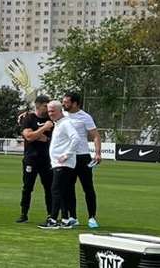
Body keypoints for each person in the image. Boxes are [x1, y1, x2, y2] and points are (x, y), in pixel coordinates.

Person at [41, 100, 84, 230]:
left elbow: (76, 138)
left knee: (56, 190)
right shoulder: (59, 124)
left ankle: (53, 219)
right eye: (49, 111)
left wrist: (67, 154)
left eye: (53, 111)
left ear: (60, 111)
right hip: (58, 164)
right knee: (63, 191)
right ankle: (66, 219)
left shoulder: (65, 123)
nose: (50, 113)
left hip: (64, 164)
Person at [62, 91, 101, 228]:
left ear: (75, 103)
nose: (64, 104)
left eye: (67, 102)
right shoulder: (62, 115)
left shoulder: (85, 117)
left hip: (83, 156)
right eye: (63, 102)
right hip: (68, 157)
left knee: (88, 187)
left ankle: (92, 217)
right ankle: (73, 217)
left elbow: (95, 135)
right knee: (68, 187)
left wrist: (98, 153)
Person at [17, 96, 54, 224]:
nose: (48, 108)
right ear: (38, 106)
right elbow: (28, 136)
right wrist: (43, 129)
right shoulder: (28, 118)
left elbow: (50, 139)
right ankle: (23, 214)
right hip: (30, 159)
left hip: (47, 159)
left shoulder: (52, 119)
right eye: (46, 106)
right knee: (27, 187)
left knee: (49, 188)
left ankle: (51, 215)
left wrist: (36, 135)